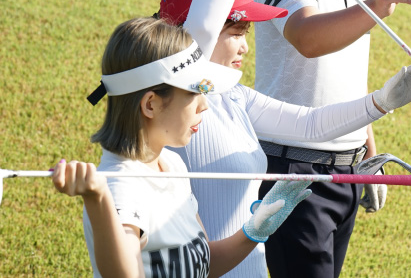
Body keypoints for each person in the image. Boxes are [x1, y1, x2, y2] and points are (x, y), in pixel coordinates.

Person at [156, 0, 411, 278]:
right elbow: (202, 31)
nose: (245, 45)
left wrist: (380, 103)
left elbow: (311, 124)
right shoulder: (172, 102)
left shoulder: (237, 98)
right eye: (235, 32)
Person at [251, 0, 411, 277]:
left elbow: (344, 67)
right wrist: (378, 6)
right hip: (293, 170)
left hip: (346, 168)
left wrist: (367, 147)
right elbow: (307, 37)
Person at [52, 16, 313, 278]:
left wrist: (254, 230)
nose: (204, 105)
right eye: (193, 92)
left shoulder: (171, 164)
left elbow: (202, 265)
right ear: (151, 104)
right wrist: (98, 199)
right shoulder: (121, 186)